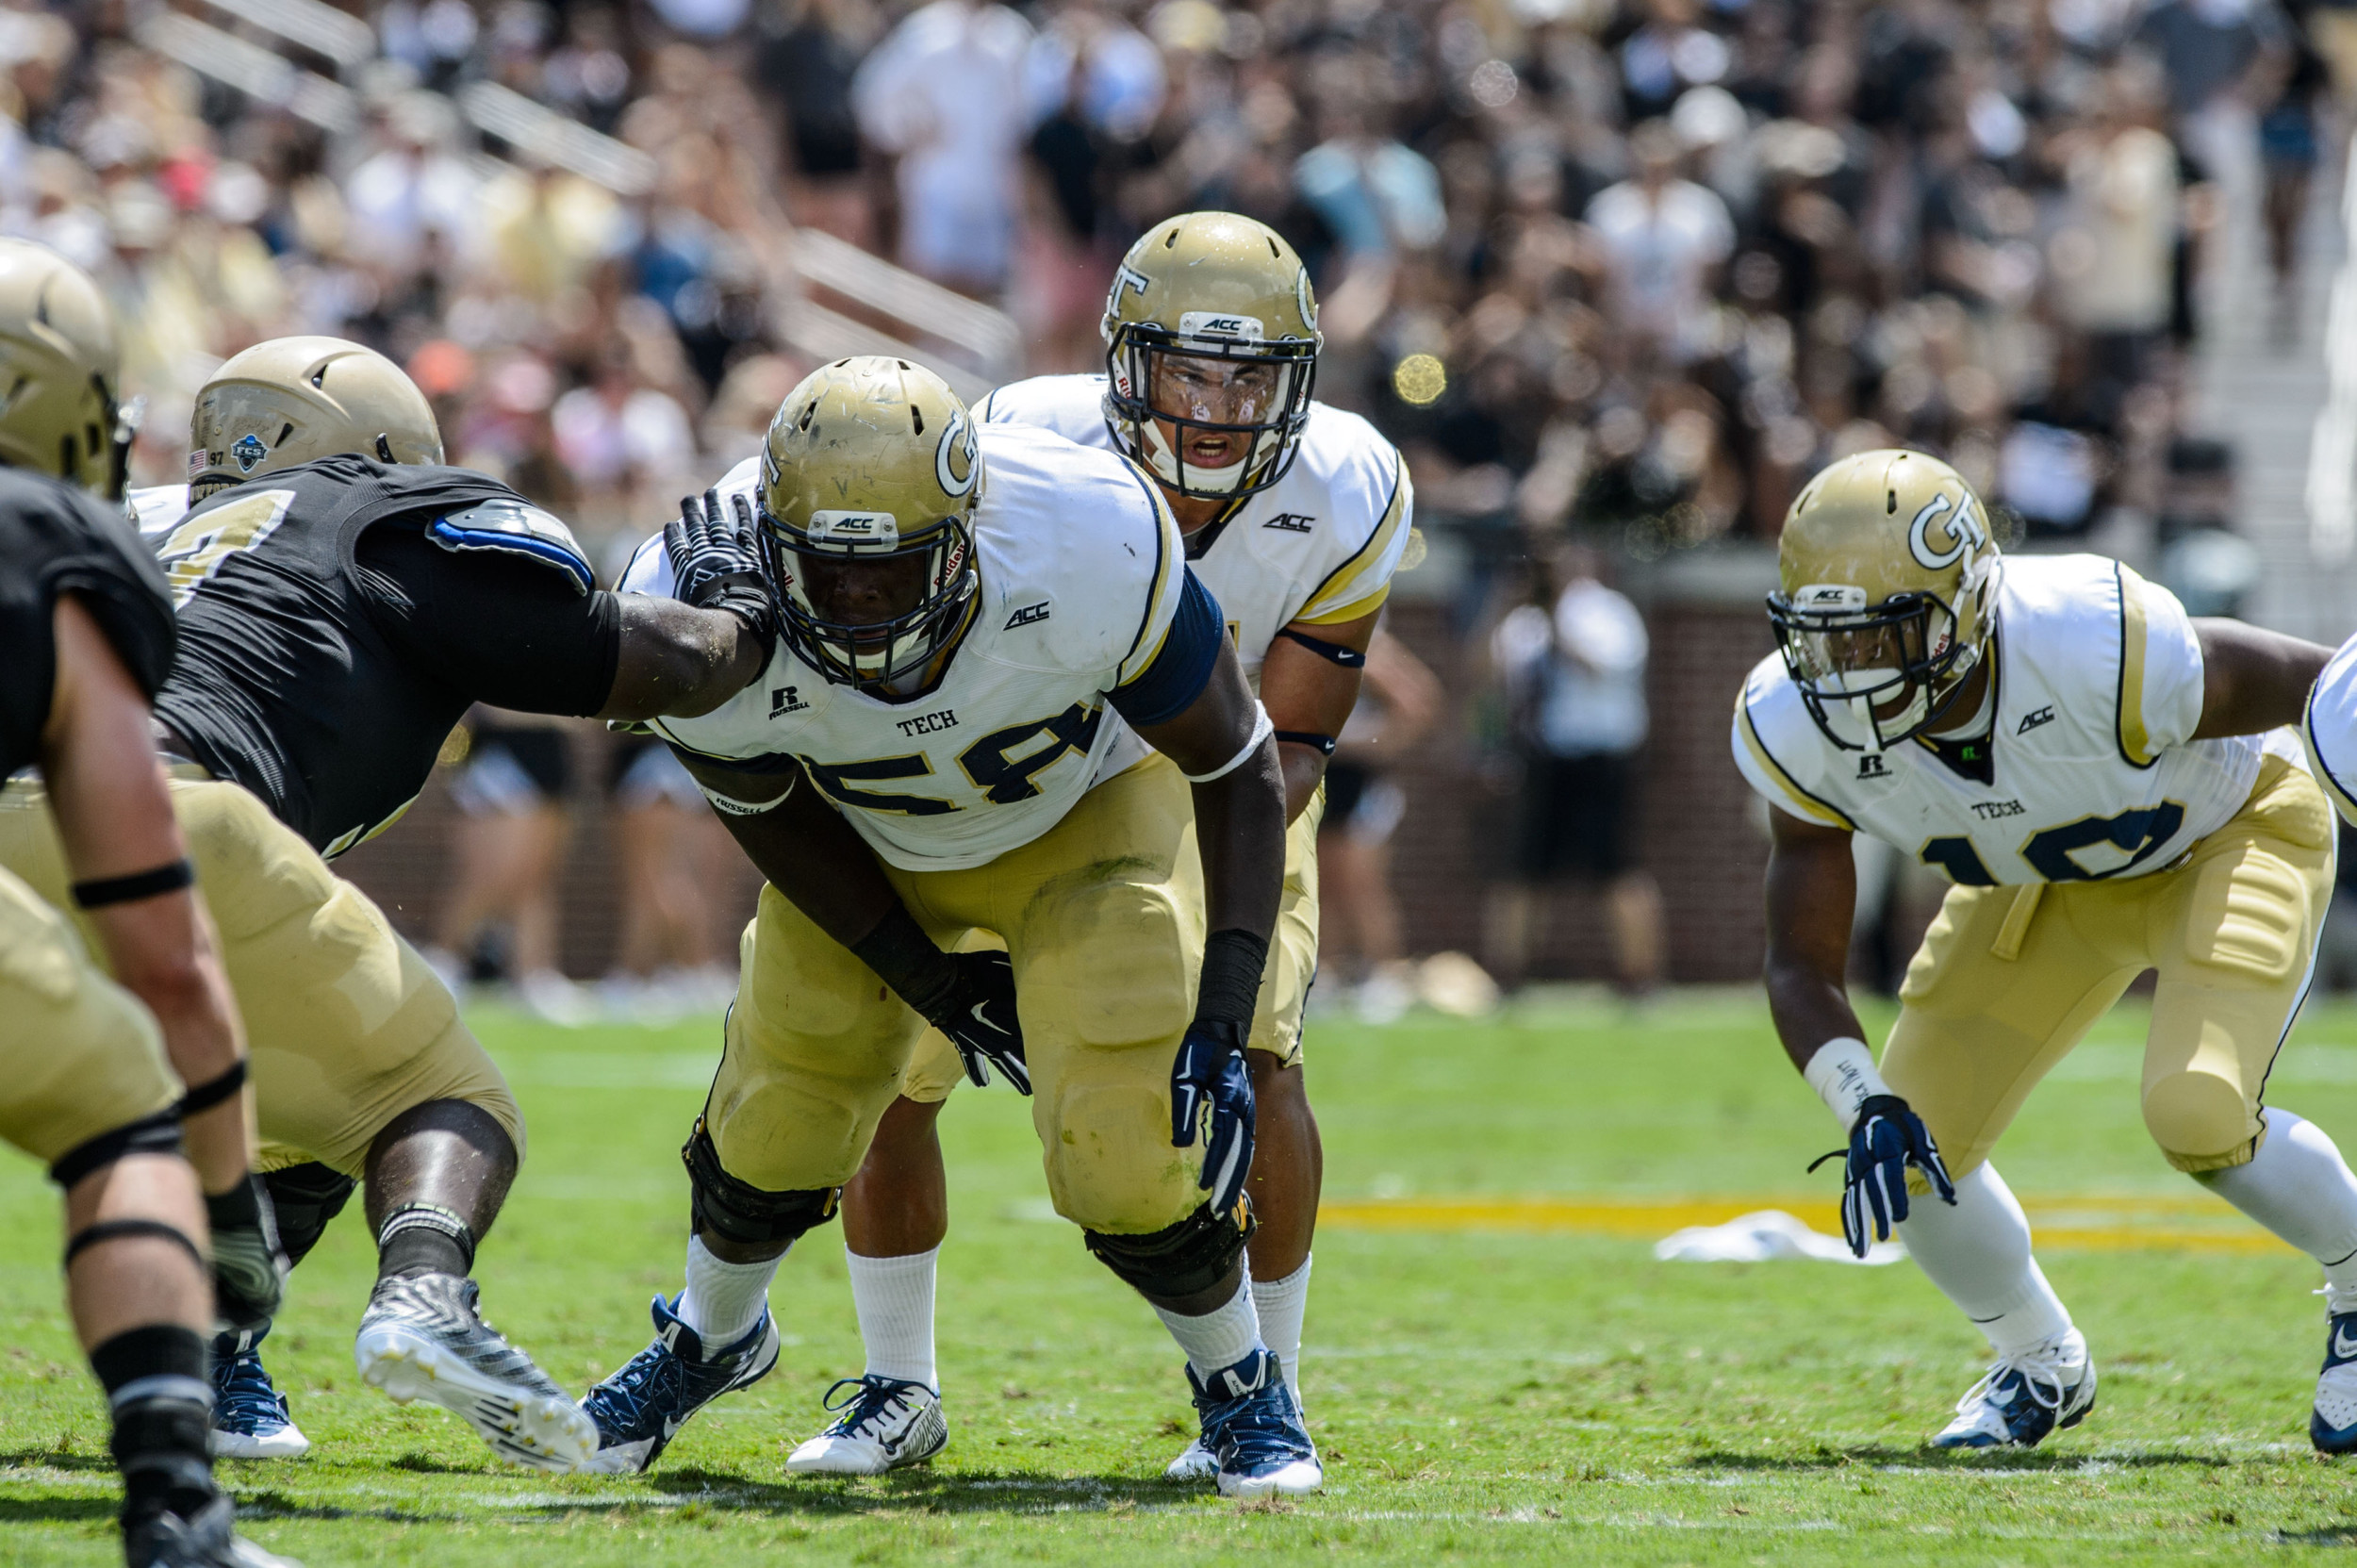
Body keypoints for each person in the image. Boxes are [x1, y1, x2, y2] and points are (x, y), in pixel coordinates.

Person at [580, 355, 1316, 1499]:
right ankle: (708, 1338)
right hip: (871, 846)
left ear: (967, 531)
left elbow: (1233, 761)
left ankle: (1241, 1388)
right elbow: (769, 812)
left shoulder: (1088, 534)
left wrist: (1226, 1007)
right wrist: (918, 976)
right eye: (827, 569)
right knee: (785, 1094)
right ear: (770, 546)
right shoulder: (696, 594)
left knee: (1129, 1122)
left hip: (1089, 822)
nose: (859, 600)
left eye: (892, 568)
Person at [68, 334, 775, 1469]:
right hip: (168, 815)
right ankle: (425, 1296)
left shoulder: (142, 524)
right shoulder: (384, 505)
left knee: (297, 1086)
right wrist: (740, 612)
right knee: (440, 1099)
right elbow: (648, 665)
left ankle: (209, 1356)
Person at [801, 212, 1411, 1482]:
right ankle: (896, 1384)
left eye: (1249, 377)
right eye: (1188, 369)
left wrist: (1195, 891)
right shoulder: (1025, 446)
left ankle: (1264, 1387)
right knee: (894, 1058)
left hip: (1226, 776)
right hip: (1019, 773)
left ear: (1298, 382)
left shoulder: (1351, 481)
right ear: (1125, 362)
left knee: (1260, 1047)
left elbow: (1292, 738)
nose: (1216, 407)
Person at [1738, 448, 2357, 1449]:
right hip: (2041, 883)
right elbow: (1796, 963)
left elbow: (2327, 687)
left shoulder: (2091, 642)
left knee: (2195, 1108)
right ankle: (2038, 1360)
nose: (1849, 673)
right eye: (1827, 640)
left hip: (2226, 831)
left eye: (1882, 636)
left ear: (1968, 605)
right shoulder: (1793, 727)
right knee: (1909, 1150)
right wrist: (1862, 1101)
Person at [0, 243, 295, 1568]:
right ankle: (177, 1509)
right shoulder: (51, 537)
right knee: (120, 1103)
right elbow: (160, 944)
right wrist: (230, 1209)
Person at [1485, 550, 1665, 998]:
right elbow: (1488, 675)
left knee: (1616, 868)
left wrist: (1559, 619)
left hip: (1601, 758)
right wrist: (1500, 606)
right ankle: (1508, 975)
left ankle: (1639, 976)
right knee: (1524, 868)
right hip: (1544, 756)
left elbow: (1602, 667)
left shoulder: (1607, 612)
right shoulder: (1523, 620)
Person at [1316, 627, 1441, 1019]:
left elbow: (1418, 704)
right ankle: (1329, 974)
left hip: (1361, 779)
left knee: (1361, 881)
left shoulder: (1366, 642)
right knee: (1322, 876)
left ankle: (1386, 974)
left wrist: (1377, 744)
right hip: (1326, 774)